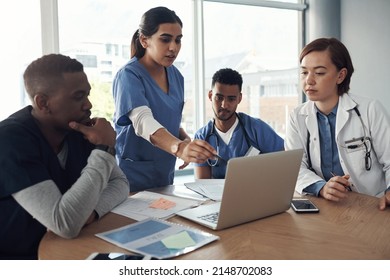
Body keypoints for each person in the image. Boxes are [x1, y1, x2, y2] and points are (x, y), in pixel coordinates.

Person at [0, 54, 129, 260]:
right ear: (43, 103)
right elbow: (65, 224)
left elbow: (120, 182)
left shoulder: (80, 130)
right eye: (78, 97)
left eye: (87, 95)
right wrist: (104, 149)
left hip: (77, 248)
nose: (88, 104)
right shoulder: (10, 140)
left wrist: (92, 211)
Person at [112, 6, 216, 191]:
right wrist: (179, 148)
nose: (173, 47)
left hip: (164, 175)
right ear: (144, 40)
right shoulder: (129, 75)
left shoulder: (177, 76)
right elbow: (143, 121)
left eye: (178, 40)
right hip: (131, 179)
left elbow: (168, 119)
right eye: (165, 39)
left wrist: (186, 142)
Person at [285, 37, 390, 210]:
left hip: (371, 204)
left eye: (319, 73)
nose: (308, 81)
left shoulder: (370, 109)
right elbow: (294, 167)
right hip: (326, 205)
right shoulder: (297, 117)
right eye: (304, 72)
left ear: (340, 75)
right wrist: (321, 187)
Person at [194, 68, 284, 179]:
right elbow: (203, 185)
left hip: (254, 193)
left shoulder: (256, 128)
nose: (224, 105)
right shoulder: (202, 137)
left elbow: (286, 161)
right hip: (217, 196)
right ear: (210, 96)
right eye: (219, 98)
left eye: (231, 99)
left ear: (239, 99)